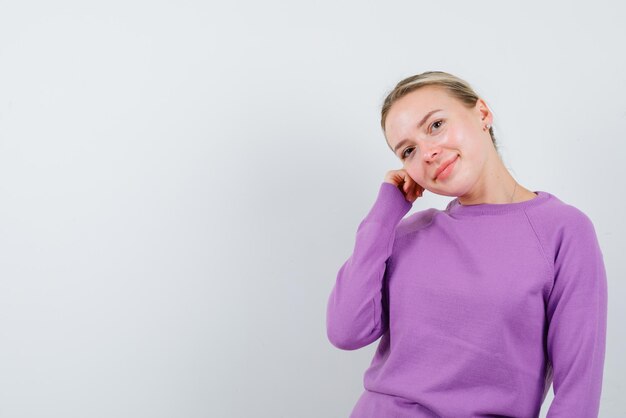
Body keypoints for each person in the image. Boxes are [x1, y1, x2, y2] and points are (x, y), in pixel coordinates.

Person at [326, 71, 608, 418]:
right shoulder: (407, 233)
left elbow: (578, 394)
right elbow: (346, 331)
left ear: (482, 114)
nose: (427, 152)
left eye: (435, 125)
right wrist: (385, 214)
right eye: (408, 151)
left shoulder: (563, 230)